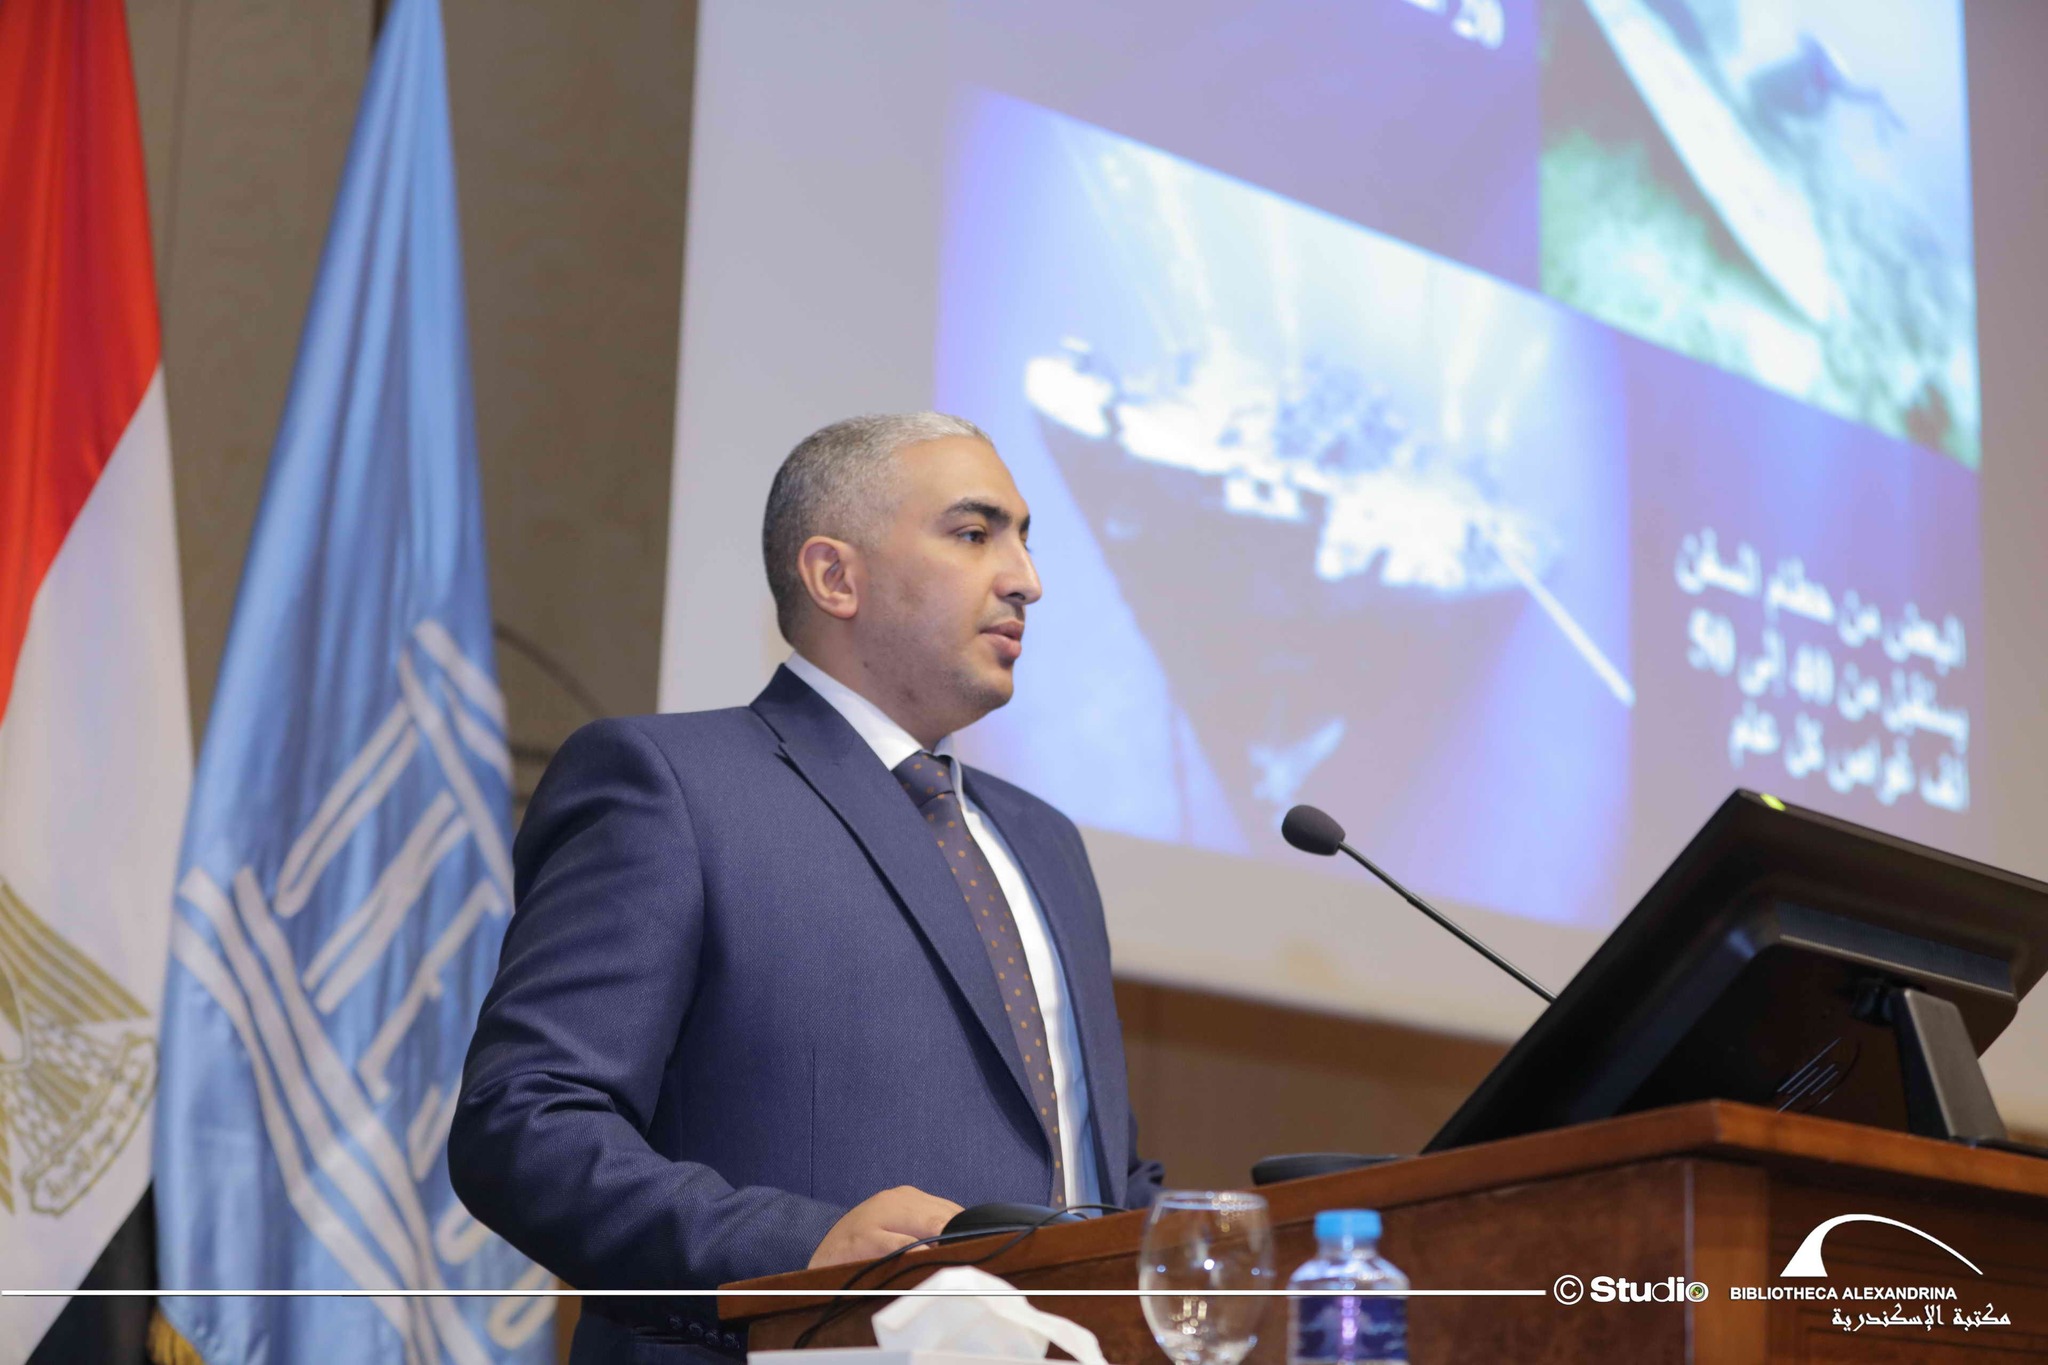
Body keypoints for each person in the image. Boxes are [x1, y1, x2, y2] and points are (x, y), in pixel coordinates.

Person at [450, 412, 1164, 1364]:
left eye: (1026, 539)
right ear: (835, 576)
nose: (1026, 578)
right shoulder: (670, 785)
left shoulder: (1047, 844)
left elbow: (1092, 1172)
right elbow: (524, 1126)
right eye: (974, 532)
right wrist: (797, 1251)